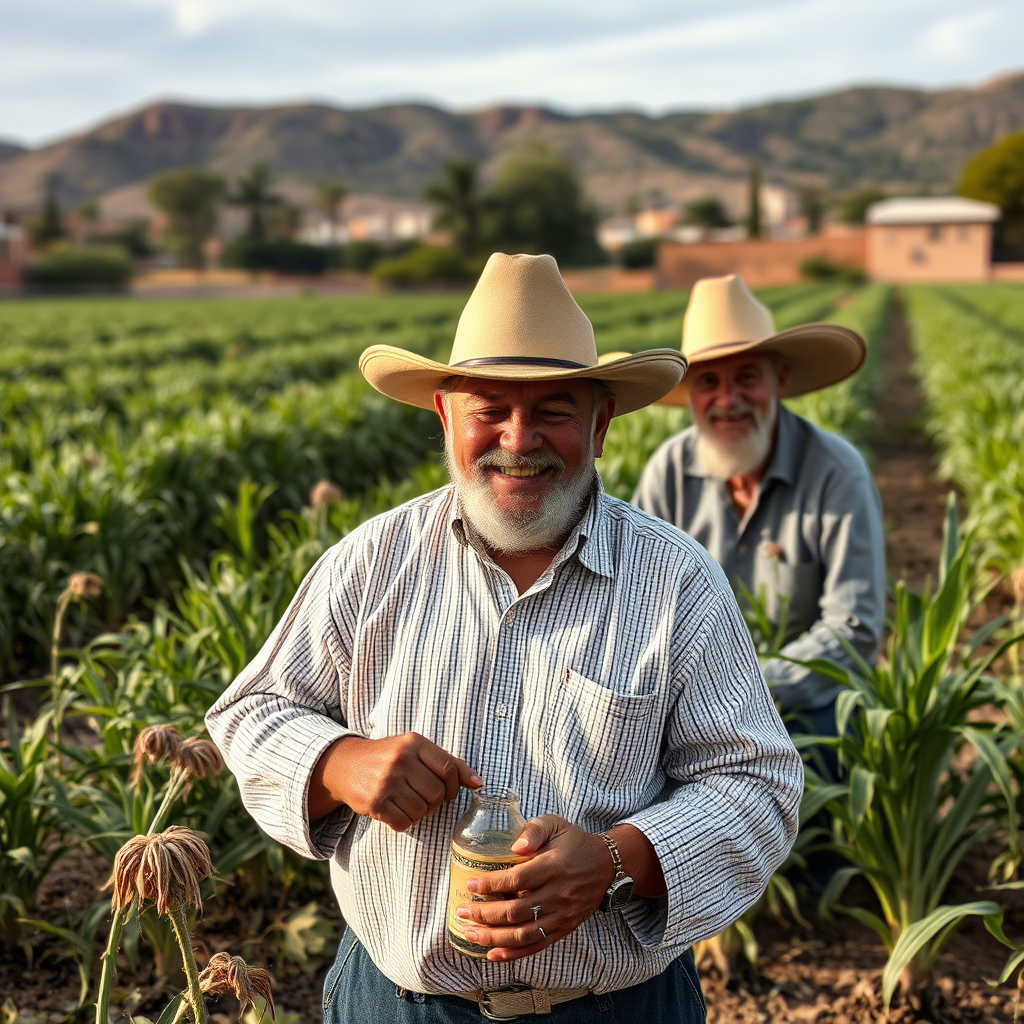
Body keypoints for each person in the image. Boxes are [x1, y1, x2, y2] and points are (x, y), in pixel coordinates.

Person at [206, 253, 803, 1023]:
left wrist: (616, 858)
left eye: (554, 410)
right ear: (445, 416)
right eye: (490, 408)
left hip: (616, 1006)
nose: (518, 440)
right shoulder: (370, 563)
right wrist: (337, 763)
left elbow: (756, 786)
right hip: (398, 1004)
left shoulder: (675, 582)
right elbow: (251, 710)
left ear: (601, 421)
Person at [632, 273, 886, 742]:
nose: (728, 401)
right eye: (709, 382)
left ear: (779, 379)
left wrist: (746, 689)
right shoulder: (668, 471)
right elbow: (635, 607)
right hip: (686, 706)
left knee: (838, 739)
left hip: (802, 702)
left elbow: (854, 629)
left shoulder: (835, 472)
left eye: (746, 377)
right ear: (691, 396)